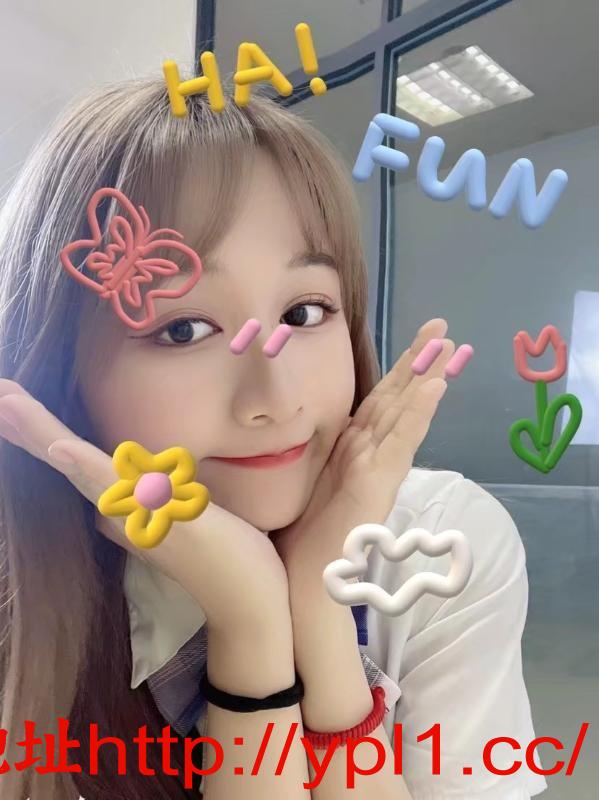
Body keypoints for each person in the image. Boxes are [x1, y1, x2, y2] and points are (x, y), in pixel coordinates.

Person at [0, 79, 547, 799]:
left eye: (303, 312)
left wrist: (318, 613)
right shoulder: (20, 592)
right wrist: (250, 622)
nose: (277, 399)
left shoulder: (437, 544)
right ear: (59, 373)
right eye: (184, 328)